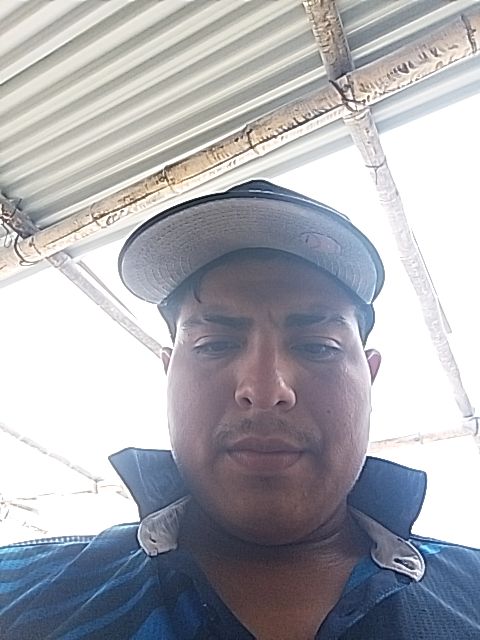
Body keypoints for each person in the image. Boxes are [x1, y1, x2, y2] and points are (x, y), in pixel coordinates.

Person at [0, 180, 479, 639]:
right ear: (169, 373)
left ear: (369, 377)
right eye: (214, 344)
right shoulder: (18, 594)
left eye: (318, 346)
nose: (265, 389)